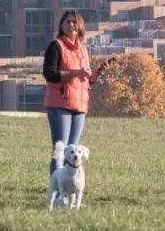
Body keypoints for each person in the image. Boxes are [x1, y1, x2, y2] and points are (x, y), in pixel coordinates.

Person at [43, 10, 114, 174]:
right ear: (61, 25)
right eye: (67, 22)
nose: (71, 25)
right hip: (60, 104)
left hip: (79, 106)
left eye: (74, 22)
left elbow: (85, 80)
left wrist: (98, 72)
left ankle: (68, 193)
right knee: (60, 152)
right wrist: (76, 72)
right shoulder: (56, 46)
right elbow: (49, 74)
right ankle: (57, 191)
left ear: (80, 26)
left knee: (73, 153)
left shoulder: (82, 49)